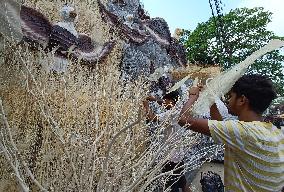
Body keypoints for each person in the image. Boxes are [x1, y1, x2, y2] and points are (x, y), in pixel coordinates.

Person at [179, 74, 284, 191]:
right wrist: (211, 101)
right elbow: (219, 125)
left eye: (231, 96)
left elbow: (184, 120)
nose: (228, 100)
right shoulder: (276, 132)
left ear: (242, 100)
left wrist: (193, 96)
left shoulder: (243, 131)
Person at [143, 90, 191, 192]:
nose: (163, 103)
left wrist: (146, 105)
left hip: (170, 158)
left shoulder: (171, 114)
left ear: (172, 101)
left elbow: (151, 118)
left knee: (170, 186)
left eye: (165, 101)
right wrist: (155, 99)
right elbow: (164, 102)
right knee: (182, 183)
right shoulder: (180, 109)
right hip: (178, 155)